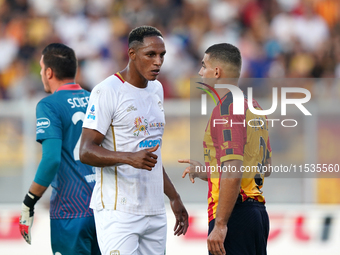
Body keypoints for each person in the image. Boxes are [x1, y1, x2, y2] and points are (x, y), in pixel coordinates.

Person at [79, 25, 189, 255]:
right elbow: (86, 151)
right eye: (151, 54)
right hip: (119, 211)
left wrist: (174, 197)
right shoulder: (107, 91)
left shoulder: (157, 89)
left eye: (162, 55)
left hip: (154, 210)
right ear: (132, 54)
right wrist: (128, 158)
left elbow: (151, 157)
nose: (158, 61)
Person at [180, 43, 272, 255]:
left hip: (233, 216)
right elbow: (265, 167)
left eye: (204, 66)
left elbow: (234, 169)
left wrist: (221, 224)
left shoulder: (226, 108)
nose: (200, 72)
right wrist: (208, 172)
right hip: (257, 215)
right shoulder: (254, 106)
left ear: (217, 72)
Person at [19, 43, 100, 255]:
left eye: (40, 68)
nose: (40, 73)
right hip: (103, 208)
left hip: (70, 211)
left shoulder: (49, 105)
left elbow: (51, 160)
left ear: (49, 72)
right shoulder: (95, 99)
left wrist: (29, 202)